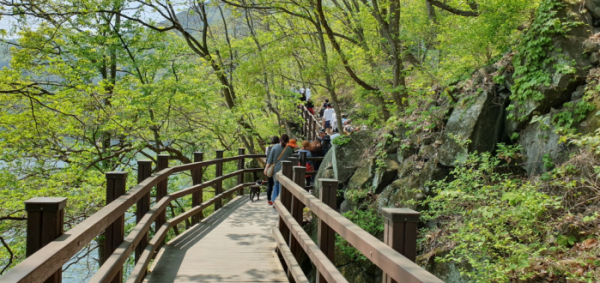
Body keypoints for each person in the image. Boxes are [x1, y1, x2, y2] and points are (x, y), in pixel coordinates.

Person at [264, 134, 294, 203]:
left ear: (280, 139)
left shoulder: (274, 147)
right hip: (285, 169)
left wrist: (266, 168)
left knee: (276, 184)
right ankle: (280, 201)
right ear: (287, 141)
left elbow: (270, 159)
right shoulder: (289, 149)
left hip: (276, 168)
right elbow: (291, 160)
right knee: (282, 185)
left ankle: (274, 200)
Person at [265, 136, 279, 205]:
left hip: (269, 167)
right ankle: (276, 199)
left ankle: (269, 199)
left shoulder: (268, 148)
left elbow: (267, 157)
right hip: (276, 167)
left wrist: (266, 168)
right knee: (276, 183)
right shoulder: (279, 148)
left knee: (269, 184)